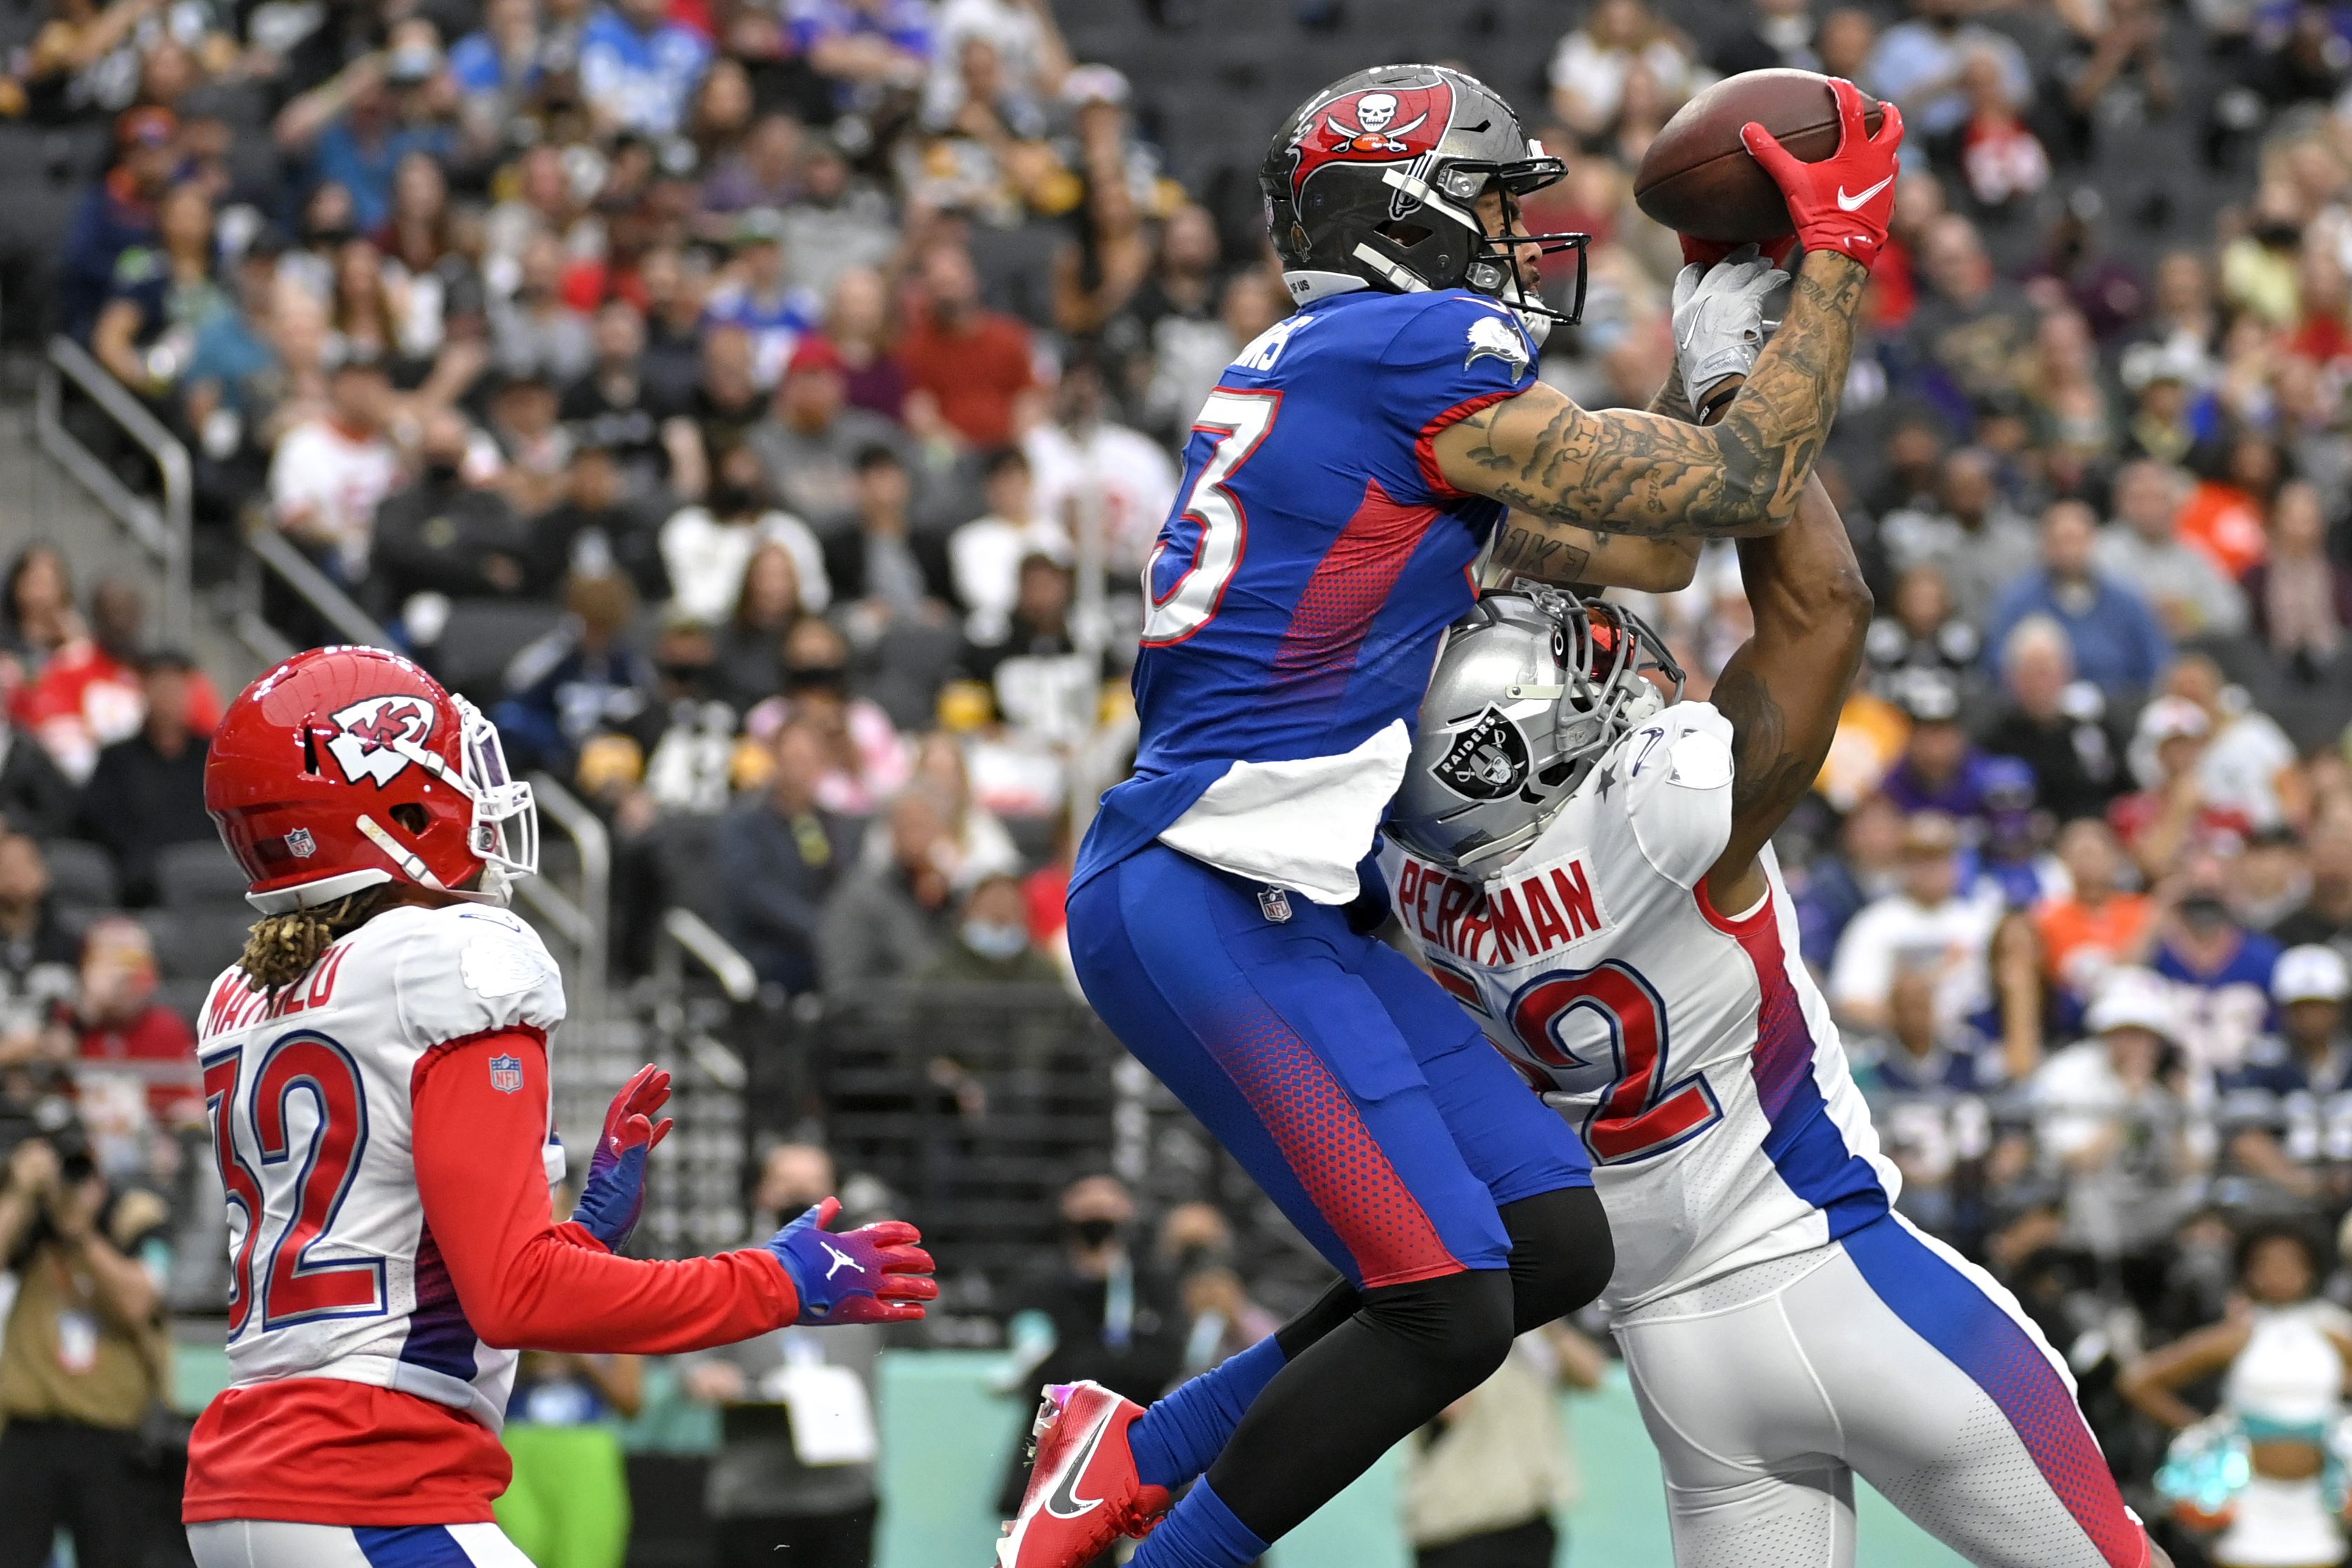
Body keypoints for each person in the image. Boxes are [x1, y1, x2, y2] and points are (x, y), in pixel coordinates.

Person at [1021, 65, 1907, 1568]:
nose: (1515, 239)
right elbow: (1737, 480)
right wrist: (1827, 257)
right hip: (1207, 882)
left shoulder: (1341, 372)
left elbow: (1657, 549)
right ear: (1404, 225)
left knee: (1553, 1241)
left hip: (1285, 895)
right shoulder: (1407, 345)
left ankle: (1141, 1445)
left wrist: (1714, 361)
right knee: (1439, 1301)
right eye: (1492, 205)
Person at [1374, 408, 2161, 1558]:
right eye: (1584, 660)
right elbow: (1824, 607)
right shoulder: (1653, 811)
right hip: (1845, 1278)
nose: (1612, 656)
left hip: (1680, 1357)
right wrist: (1751, 404)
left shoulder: (1408, 872)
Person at [180, 646, 935, 1567]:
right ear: (393, 802)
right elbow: (513, 1295)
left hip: (249, 1482)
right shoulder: (454, 957)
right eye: (450, 765)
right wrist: (771, 1281)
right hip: (370, 1483)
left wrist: (580, 1234)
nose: (477, 788)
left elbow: (401, 1268)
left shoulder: (249, 990)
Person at [683, 1144, 889, 1568]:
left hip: (845, 1494)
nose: (800, 1198)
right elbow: (687, 1353)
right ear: (762, 1193)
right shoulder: (730, 1270)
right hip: (755, 1495)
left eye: (812, 1186)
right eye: (787, 1185)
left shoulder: (863, 1273)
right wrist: (702, 1374)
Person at [2122, 1226, 2352, 1568]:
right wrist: (2201, 1431)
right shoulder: (2238, 1334)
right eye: (2266, 1264)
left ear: (2312, 1269)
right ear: (2248, 1271)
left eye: (2291, 1263)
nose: (2279, 1273)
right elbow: (2139, 1381)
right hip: (2248, 1506)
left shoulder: (2334, 1331)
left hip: (2320, 1506)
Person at [0, 1127, 176, 1568]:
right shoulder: (33, 1217)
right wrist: (22, 1194)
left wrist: (81, 1235)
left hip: (111, 1437)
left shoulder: (135, 1214)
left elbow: (139, 1301)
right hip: (27, 1431)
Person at [717, 721, 854, 994]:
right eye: (794, 759)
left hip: (825, 948)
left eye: (810, 761)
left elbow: (844, 884)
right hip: (766, 950)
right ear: (775, 760)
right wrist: (821, 929)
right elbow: (753, 893)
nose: (800, 770)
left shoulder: (831, 824)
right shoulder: (745, 824)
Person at [74, 651, 216, 908]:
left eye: (176, 688)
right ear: (144, 691)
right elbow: (96, 822)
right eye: (161, 687)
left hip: (207, 883)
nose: (169, 697)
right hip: (138, 890)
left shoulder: (213, 755)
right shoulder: (117, 759)